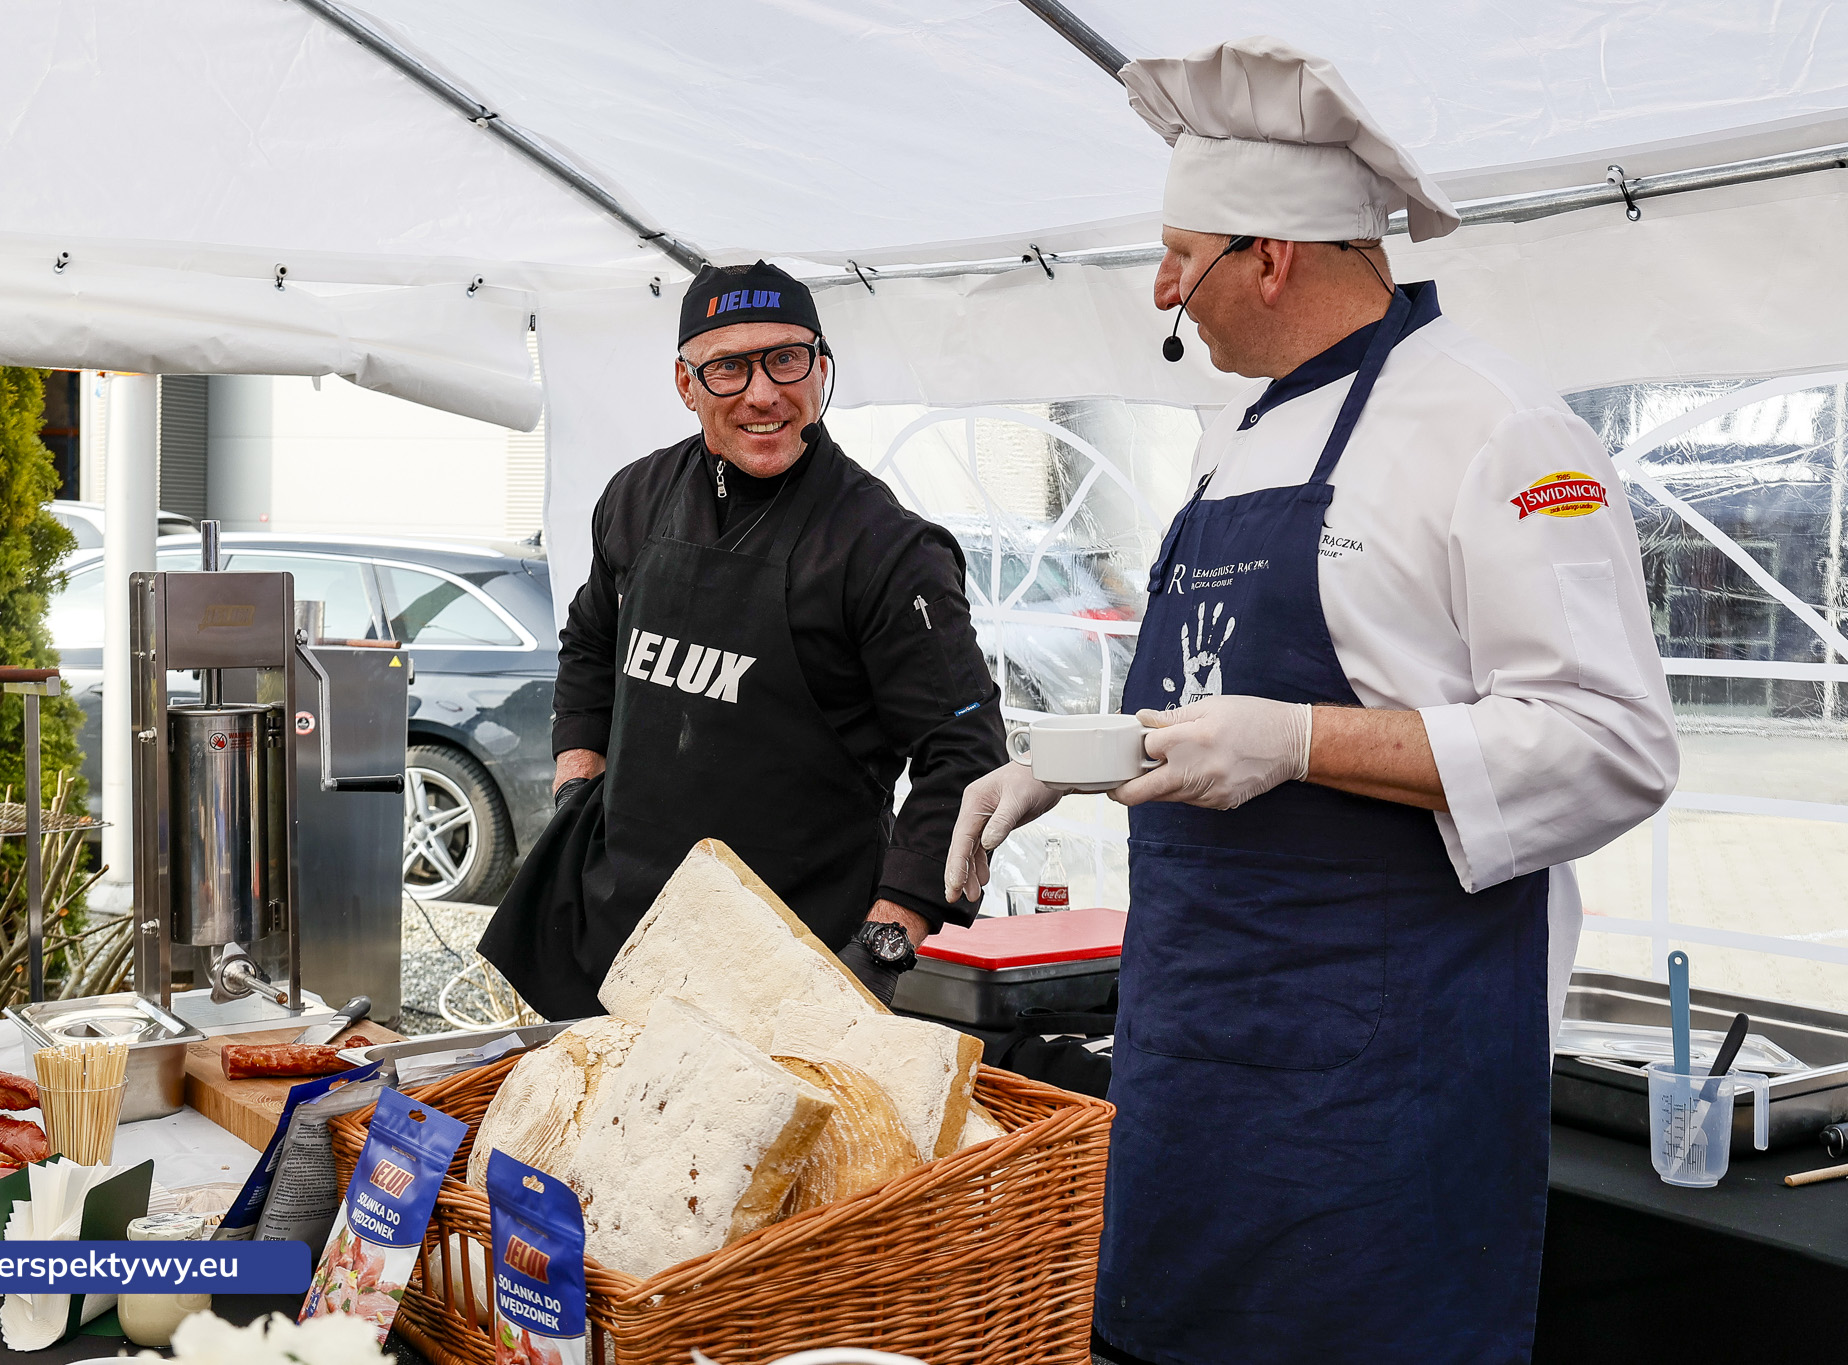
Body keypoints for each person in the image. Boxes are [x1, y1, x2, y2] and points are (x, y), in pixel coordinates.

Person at [946, 37, 1679, 1365]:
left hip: (1385, 1087)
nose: (1163, 290)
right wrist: (1077, 758)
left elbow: (1608, 742)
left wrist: (1299, 741)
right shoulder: (1237, 444)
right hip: (1195, 1056)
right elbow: (1210, 703)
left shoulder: (1498, 430)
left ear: (1271, 256)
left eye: (1180, 257)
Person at [483, 260, 1005, 1013]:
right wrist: (577, 782)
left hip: (795, 957)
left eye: (786, 359)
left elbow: (965, 757)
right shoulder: (636, 497)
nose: (763, 394)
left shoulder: (886, 548)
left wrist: (884, 943)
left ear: (819, 368)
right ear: (686, 384)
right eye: (728, 368)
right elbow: (591, 643)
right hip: (620, 933)